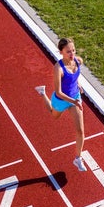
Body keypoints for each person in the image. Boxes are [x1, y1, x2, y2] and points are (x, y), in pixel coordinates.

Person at [35, 37, 87, 171]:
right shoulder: (58, 68)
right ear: (61, 52)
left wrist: (78, 85)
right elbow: (58, 92)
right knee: (53, 114)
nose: (72, 54)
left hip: (75, 98)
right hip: (61, 100)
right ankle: (43, 93)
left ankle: (78, 159)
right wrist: (73, 101)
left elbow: (74, 78)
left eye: (73, 50)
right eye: (68, 51)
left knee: (80, 131)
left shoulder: (77, 61)